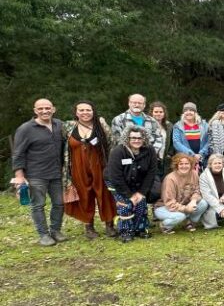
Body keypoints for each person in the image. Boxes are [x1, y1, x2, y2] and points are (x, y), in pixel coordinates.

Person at [12, 98, 68, 246]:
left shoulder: (59, 125)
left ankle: (55, 230)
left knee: (59, 204)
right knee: (38, 205)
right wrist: (19, 176)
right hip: (36, 174)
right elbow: (18, 153)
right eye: (41, 109)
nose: (45, 111)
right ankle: (43, 235)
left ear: (53, 109)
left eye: (47, 108)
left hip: (56, 173)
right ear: (35, 111)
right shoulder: (25, 129)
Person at [62, 101, 117, 239]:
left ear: (93, 111)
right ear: (76, 112)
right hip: (78, 167)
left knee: (105, 194)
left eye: (88, 110)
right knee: (84, 196)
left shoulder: (101, 125)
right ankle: (89, 226)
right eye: (81, 110)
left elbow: (111, 144)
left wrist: (112, 166)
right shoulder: (68, 126)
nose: (85, 112)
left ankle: (109, 225)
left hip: (100, 166)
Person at [105, 125, 158, 243]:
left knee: (141, 203)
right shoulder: (118, 151)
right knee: (126, 205)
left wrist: (141, 192)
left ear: (144, 138)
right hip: (117, 183)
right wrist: (129, 195)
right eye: (133, 138)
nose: (136, 140)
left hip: (138, 183)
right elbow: (115, 176)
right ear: (127, 138)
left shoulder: (150, 150)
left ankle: (140, 229)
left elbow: (151, 173)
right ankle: (125, 231)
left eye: (140, 138)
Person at [154, 154, 208, 233]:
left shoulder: (194, 174)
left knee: (203, 203)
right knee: (180, 216)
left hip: (184, 204)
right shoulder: (170, 179)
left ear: (191, 164)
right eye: (181, 164)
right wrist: (186, 209)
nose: (184, 166)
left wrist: (193, 200)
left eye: (187, 164)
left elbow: (197, 190)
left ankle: (190, 223)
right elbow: (169, 202)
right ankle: (165, 225)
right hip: (164, 207)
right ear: (176, 165)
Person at [149, 101, 174, 176]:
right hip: (151, 159)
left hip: (165, 159)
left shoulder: (169, 125)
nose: (158, 114)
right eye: (156, 112)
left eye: (161, 112)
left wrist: (170, 154)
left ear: (164, 113)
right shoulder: (147, 124)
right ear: (151, 113)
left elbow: (172, 142)